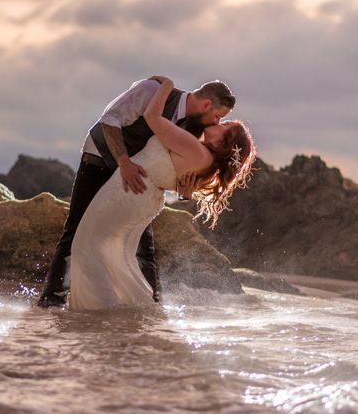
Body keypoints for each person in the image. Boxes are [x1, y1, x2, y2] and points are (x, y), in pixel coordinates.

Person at [35, 77, 236, 308]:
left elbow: (176, 168)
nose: (216, 122)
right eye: (218, 116)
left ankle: (150, 303)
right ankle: (52, 299)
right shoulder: (152, 90)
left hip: (139, 183)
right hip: (101, 160)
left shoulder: (196, 128)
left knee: (142, 245)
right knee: (75, 229)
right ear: (206, 104)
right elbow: (109, 120)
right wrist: (124, 162)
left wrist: (185, 194)